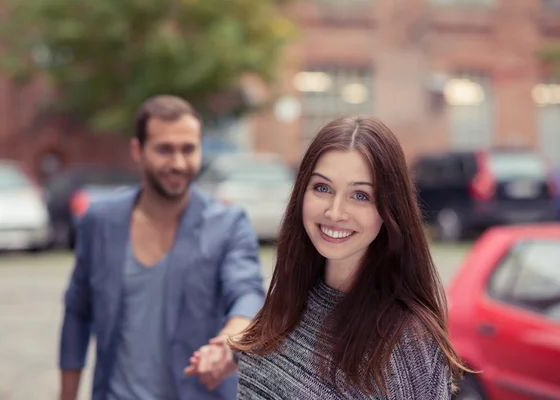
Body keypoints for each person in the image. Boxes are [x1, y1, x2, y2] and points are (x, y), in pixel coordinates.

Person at [189, 115, 470, 398]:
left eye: (360, 195)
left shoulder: (407, 340)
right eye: (322, 188)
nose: (335, 212)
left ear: (389, 210)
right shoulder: (283, 307)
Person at [58, 95, 266, 400]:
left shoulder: (228, 224)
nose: (178, 163)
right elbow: (77, 311)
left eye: (188, 149)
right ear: (137, 150)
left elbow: (248, 294)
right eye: (165, 150)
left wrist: (228, 343)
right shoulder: (100, 221)